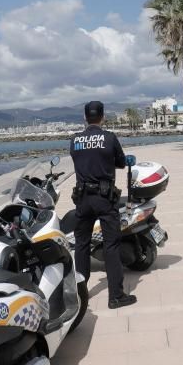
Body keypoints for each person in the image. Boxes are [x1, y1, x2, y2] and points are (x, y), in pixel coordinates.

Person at [69, 101, 137, 309]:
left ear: (84, 118)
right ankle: (116, 296)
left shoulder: (74, 140)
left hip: (82, 198)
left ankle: (80, 294)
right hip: (104, 197)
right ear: (103, 117)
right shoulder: (109, 138)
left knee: (81, 245)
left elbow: (79, 160)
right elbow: (121, 162)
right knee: (111, 244)